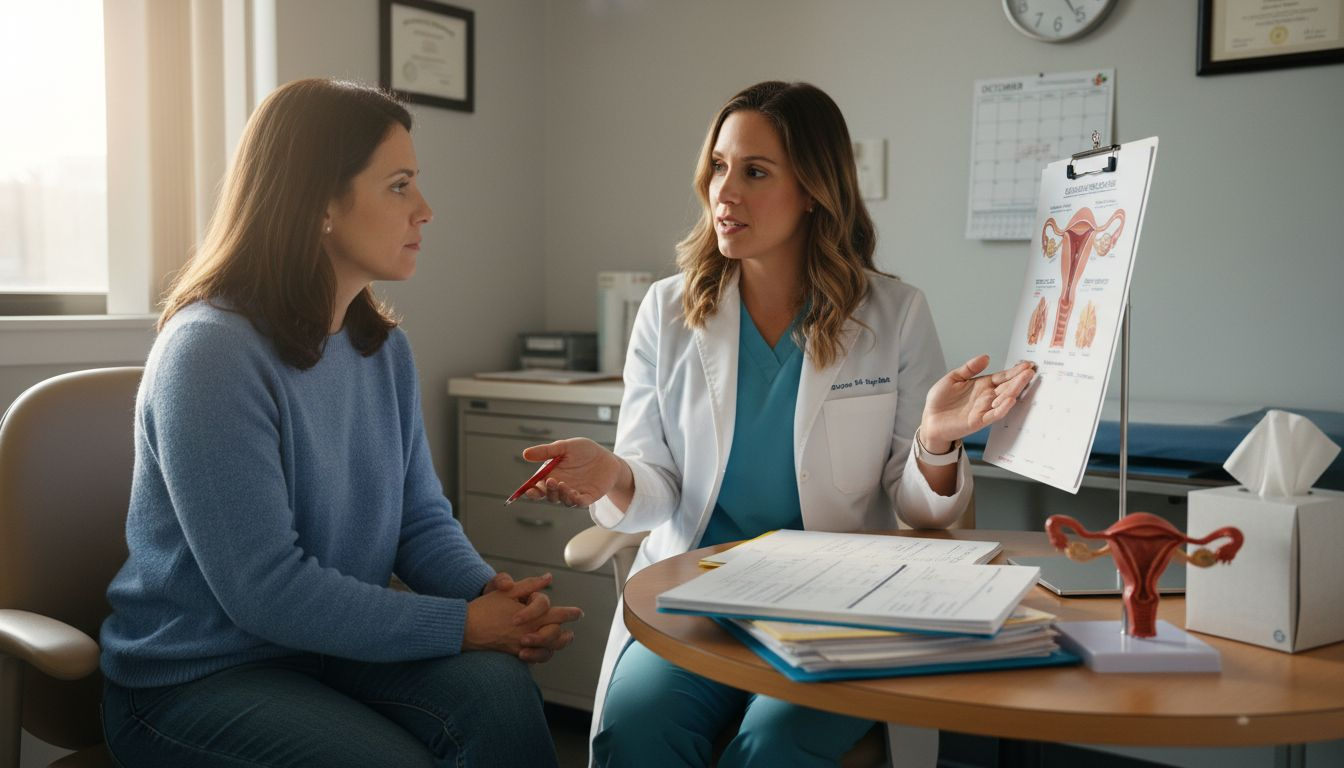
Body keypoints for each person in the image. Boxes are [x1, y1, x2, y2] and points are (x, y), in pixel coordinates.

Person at [520, 81, 1035, 767]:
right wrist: (610, 473)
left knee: (774, 747)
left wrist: (935, 444)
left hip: (839, 608)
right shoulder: (667, 310)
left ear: (814, 190)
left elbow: (918, 509)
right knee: (639, 732)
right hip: (695, 595)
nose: (724, 192)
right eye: (720, 167)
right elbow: (657, 482)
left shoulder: (894, 313)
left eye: (755, 172)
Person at [99, 78, 582, 768]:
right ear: (320, 202)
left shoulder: (381, 349)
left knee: (500, 692)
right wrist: (460, 625)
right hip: (195, 678)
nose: (425, 210)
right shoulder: (209, 352)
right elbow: (265, 591)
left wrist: (487, 595)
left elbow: (418, 520)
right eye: (399, 186)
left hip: (325, 651)